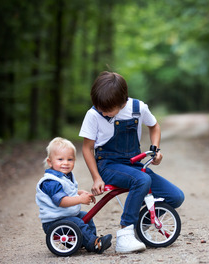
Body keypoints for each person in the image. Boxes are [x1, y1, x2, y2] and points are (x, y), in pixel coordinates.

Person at [79, 71, 184, 254]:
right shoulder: (93, 114)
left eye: (107, 109)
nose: (102, 111)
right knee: (141, 180)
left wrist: (155, 150)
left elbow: (154, 126)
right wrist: (96, 178)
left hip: (134, 164)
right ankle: (125, 233)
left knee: (175, 197)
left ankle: (140, 223)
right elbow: (87, 148)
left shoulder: (137, 108)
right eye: (99, 106)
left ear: (123, 101)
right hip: (108, 165)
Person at [35, 137, 112, 254]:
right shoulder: (51, 181)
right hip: (54, 221)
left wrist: (79, 193)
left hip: (65, 216)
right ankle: (95, 244)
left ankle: (88, 240)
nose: (65, 163)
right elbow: (61, 201)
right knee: (78, 223)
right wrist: (80, 199)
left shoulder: (65, 176)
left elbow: (67, 192)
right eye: (60, 159)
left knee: (86, 216)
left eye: (70, 159)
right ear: (50, 162)